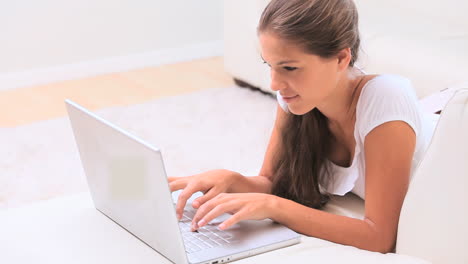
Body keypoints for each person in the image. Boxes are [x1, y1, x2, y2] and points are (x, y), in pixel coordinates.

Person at [168, 0, 434, 253]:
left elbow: (379, 237)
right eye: (269, 66)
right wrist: (231, 180)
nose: (274, 83)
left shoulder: (386, 99)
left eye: (290, 67)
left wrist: (275, 207)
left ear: (341, 58)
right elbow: (273, 182)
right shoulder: (298, 98)